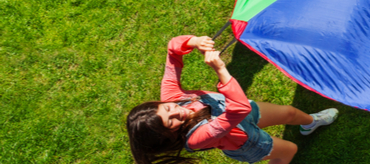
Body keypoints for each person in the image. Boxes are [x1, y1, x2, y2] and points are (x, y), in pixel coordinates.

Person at [125, 35, 338, 164]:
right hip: (247, 142)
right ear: (167, 135)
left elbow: (173, 50)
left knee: (289, 112)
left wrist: (194, 41)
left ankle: (311, 123)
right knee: (290, 150)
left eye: (168, 108)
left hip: (242, 116)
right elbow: (239, 109)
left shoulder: (170, 97)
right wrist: (220, 69)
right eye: (170, 121)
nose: (177, 111)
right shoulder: (197, 138)